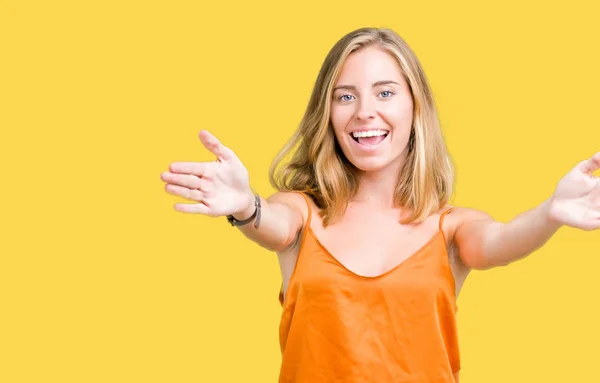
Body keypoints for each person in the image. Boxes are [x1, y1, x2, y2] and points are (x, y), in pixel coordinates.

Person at [160, 27, 600, 383]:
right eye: (345, 96)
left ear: (415, 106)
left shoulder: (452, 227)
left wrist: (551, 213)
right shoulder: (301, 212)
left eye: (385, 93)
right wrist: (245, 206)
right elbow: (270, 225)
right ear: (328, 113)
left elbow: (502, 242)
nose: (365, 111)